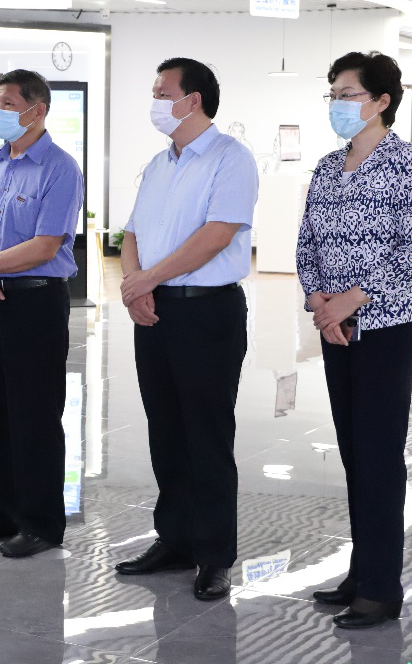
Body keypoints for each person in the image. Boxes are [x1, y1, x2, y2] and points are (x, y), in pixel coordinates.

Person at [297, 51, 412, 629]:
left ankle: (381, 589)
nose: (337, 103)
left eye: (348, 94)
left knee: (378, 455)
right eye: (332, 94)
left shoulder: (408, 163)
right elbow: (307, 241)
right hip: (337, 327)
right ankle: (361, 571)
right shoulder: (329, 166)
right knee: (355, 453)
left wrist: (351, 299)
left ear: (381, 101)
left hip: (386, 326)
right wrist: (319, 301)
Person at [114, 57, 257, 601]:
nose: (154, 101)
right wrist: (136, 286)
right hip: (155, 311)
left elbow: (217, 234)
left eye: (162, 92)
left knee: (207, 433)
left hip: (206, 312)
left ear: (192, 100)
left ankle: (215, 554)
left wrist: (147, 279)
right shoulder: (158, 163)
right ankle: (174, 540)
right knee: (166, 430)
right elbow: (131, 232)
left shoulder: (230, 158)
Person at [0, 68, 83, 558]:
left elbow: (46, 245)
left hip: (35, 301)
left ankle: (41, 523)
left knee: (34, 413)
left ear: (37, 109)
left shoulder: (60, 168)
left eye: (8, 103)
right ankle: (0, 513)